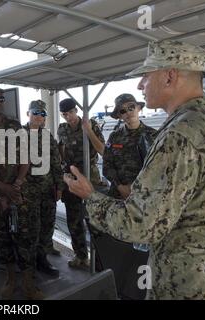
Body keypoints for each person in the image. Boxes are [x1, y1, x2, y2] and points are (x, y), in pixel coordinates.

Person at [64, 40, 205, 299]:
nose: (140, 85)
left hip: (183, 281)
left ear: (169, 76)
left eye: (146, 76)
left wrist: (89, 196)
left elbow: (141, 224)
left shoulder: (180, 133)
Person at [0, 84, 44, 300]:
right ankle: (10, 279)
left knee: (25, 237)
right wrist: (2, 188)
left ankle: (28, 283)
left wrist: (16, 185)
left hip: (17, 192)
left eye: (1, 98)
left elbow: (26, 157)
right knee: (2, 236)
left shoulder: (15, 126)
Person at [57, 98, 105, 269]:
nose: (68, 117)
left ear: (76, 110)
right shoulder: (62, 128)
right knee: (74, 220)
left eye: (70, 113)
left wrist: (89, 131)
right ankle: (81, 256)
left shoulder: (90, 124)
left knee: (96, 220)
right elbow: (61, 149)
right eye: (64, 114)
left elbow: (102, 149)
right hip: (72, 178)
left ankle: (101, 260)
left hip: (90, 178)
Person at [23, 100, 64, 277]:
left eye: (43, 114)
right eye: (36, 112)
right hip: (27, 192)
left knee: (47, 226)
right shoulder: (18, 135)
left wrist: (59, 187)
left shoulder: (47, 137)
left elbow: (56, 163)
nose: (39, 116)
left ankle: (42, 259)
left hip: (47, 190)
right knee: (30, 228)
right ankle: (28, 265)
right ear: (28, 113)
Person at [103, 94, 157, 200]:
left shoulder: (153, 135)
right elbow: (107, 165)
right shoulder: (114, 137)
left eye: (131, 107)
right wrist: (120, 187)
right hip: (118, 195)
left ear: (138, 108)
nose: (128, 112)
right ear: (119, 115)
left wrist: (138, 189)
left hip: (145, 197)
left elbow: (159, 168)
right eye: (122, 111)